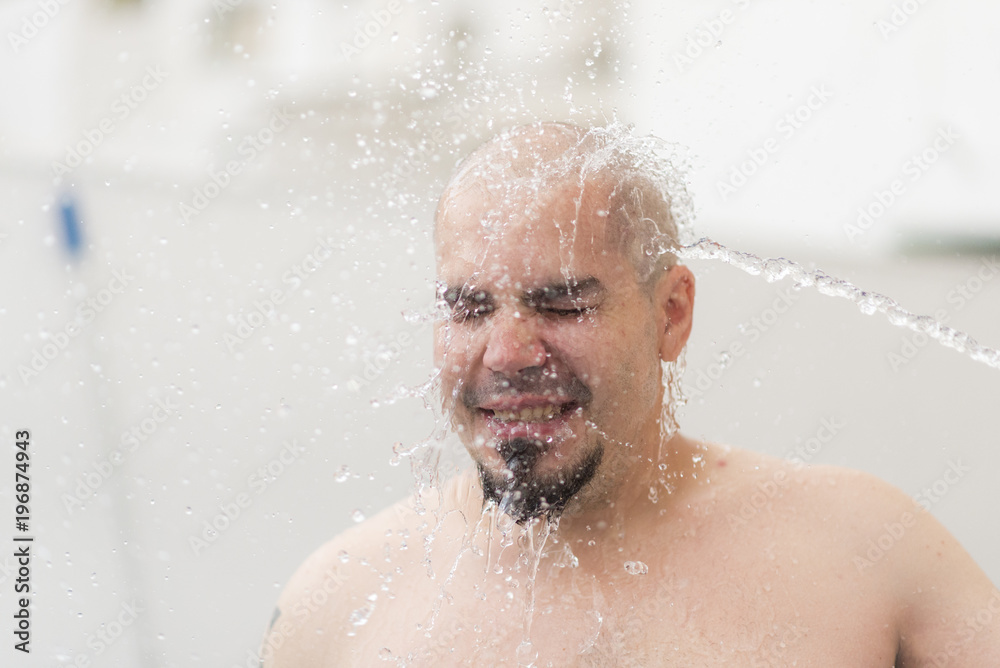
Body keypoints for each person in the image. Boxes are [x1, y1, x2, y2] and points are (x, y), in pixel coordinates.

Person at [264, 122, 1000, 667]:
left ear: (670, 313)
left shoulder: (861, 552)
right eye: (468, 308)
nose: (509, 353)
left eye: (562, 305)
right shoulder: (339, 608)